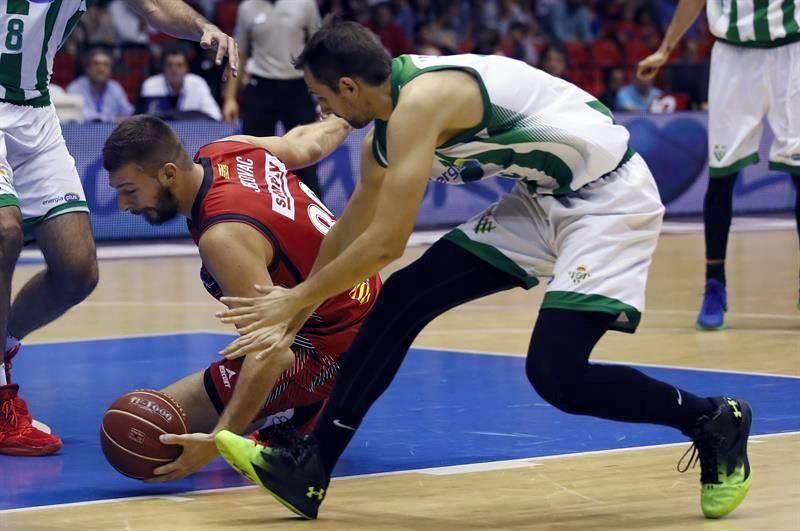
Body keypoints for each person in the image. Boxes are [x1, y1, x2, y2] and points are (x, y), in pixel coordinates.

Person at [211, 18, 752, 521]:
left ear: (350, 87)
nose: (321, 107)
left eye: (321, 96)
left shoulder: (424, 101)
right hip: (542, 198)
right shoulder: (384, 131)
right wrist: (295, 309)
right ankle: (311, 467)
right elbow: (348, 232)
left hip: (610, 197)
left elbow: (384, 245)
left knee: (556, 376)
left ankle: (712, 419)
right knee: (402, 298)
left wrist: (295, 297)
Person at [0, 0, 237, 456]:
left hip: (35, 114)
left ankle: (3, 343)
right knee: (5, 230)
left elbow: (154, 8)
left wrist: (203, 26)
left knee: (77, 269)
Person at [101, 114, 380, 481]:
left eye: (130, 190)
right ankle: (294, 405)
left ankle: (311, 406)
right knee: (164, 410)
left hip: (340, 347)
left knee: (146, 430)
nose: (123, 204)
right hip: (359, 304)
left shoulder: (224, 235)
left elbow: (272, 348)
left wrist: (220, 439)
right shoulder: (226, 150)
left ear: (169, 174)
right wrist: (346, 116)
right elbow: (305, 143)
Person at [638, 0, 800, 328]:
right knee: (722, 171)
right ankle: (715, 284)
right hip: (733, 57)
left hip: (793, 52)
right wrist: (666, 48)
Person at [223, 0, 322, 196]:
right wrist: (230, 98)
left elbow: (318, 50)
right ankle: (253, 211)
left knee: (305, 158)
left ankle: (315, 214)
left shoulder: (306, 4)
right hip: (261, 87)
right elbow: (240, 54)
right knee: (253, 157)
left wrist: (322, 91)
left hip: (298, 87)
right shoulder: (247, 7)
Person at [140, 43, 223, 120]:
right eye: (170, 65)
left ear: (186, 68)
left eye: (179, 65)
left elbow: (215, 116)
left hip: (191, 132)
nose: (174, 70)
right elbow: (146, 120)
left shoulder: (197, 83)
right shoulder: (150, 85)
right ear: (163, 67)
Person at [67, 48, 134, 123]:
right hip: (82, 133)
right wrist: (112, 119)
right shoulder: (75, 88)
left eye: (105, 65)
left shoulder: (116, 88)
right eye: (96, 64)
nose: (101, 69)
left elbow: (128, 114)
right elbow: (73, 117)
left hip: (112, 133)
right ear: (88, 68)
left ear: (110, 69)